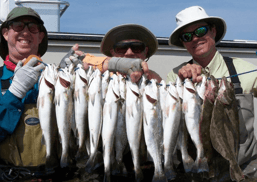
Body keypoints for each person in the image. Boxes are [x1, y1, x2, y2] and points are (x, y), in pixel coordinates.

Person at [167, 5, 257, 180]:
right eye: (187, 36)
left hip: (244, 171)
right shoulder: (174, 76)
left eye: (201, 30)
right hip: (196, 173)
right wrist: (181, 82)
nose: (195, 38)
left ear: (213, 31)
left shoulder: (245, 70)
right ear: (184, 43)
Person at [0, 6, 60, 181]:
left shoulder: (58, 79)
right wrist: (15, 92)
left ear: (40, 36)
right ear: (5, 33)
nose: (26, 32)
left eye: (33, 28)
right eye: (18, 26)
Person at [61, 24, 162, 83]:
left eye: (136, 47)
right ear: (112, 53)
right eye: (121, 48)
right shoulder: (95, 75)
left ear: (146, 52)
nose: (129, 52)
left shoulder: (154, 79)